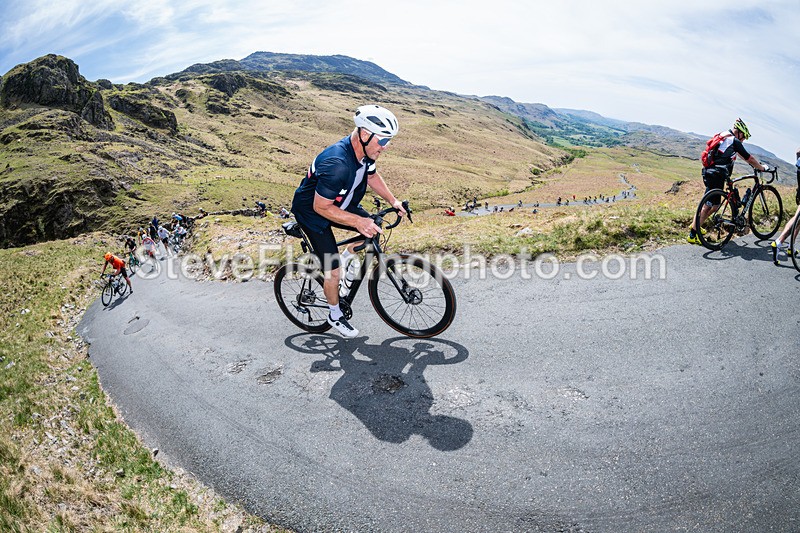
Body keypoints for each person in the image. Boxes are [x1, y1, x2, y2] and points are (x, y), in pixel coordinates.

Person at [291, 104, 405, 338]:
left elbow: (371, 175)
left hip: (340, 203)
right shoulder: (337, 163)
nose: (386, 147)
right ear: (365, 134)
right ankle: (334, 314)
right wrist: (357, 221)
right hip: (313, 213)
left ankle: (345, 259)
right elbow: (321, 207)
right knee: (333, 273)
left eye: (388, 142)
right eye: (383, 141)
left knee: (372, 227)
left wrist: (393, 201)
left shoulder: (364, 152)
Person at [688, 118, 770, 244]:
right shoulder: (734, 140)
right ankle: (693, 234)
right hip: (716, 175)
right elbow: (749, 158)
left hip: (709, 172)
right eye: (743, 137)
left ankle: (695, 225)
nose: (743, 140)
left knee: (710, 204)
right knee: (710, 206)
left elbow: (741, 155)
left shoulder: (724, 135)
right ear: (739, 132)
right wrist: (761, 168)